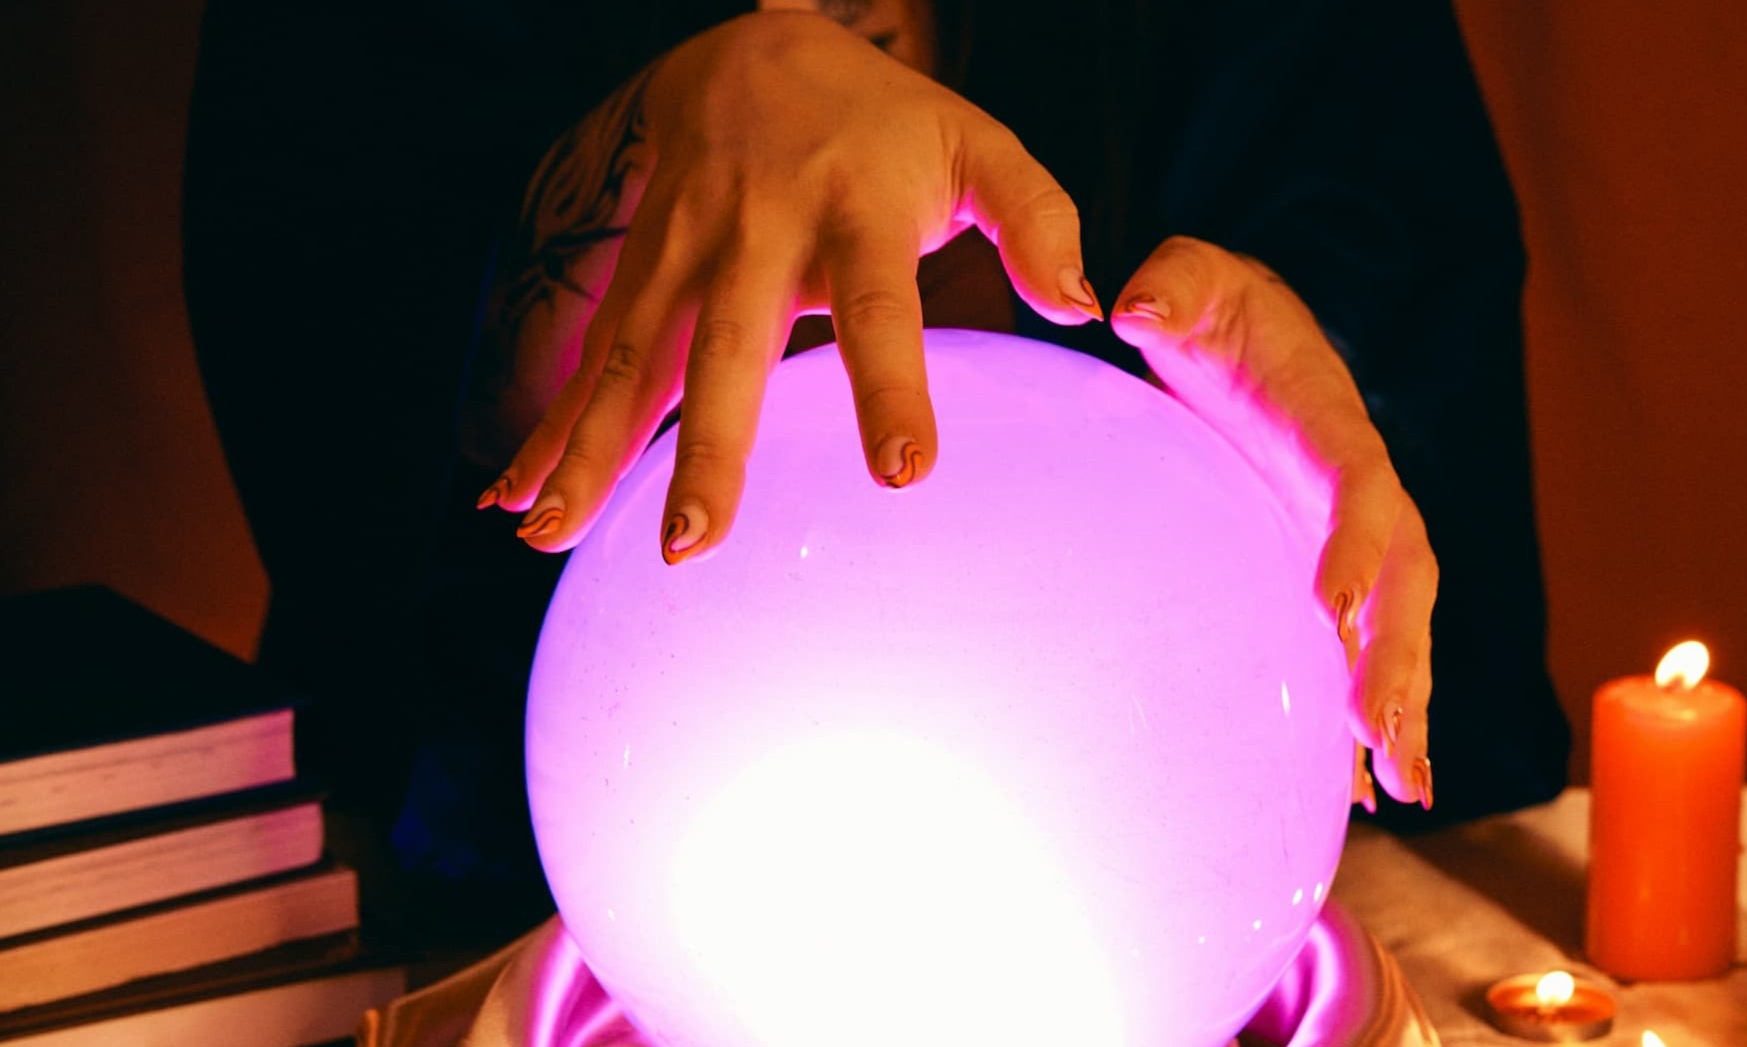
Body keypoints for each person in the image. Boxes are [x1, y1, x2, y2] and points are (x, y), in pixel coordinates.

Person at [184, 0, 1569, 938]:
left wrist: (1278, 357)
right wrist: (658, 145)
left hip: (1148, 895)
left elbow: (1377, 197)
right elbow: (323, 331)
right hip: (502, 897)